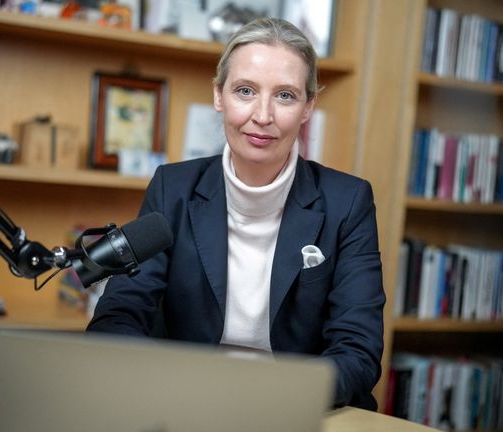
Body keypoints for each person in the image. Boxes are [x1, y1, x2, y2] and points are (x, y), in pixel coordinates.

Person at [87, 17, 385, 411]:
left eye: (285, 96)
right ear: (218, 95)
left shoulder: (348, 202)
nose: (262, 115)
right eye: (245, 91)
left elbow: (358, 351)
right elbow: (117, 317)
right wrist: (174, 388)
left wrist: (269, 397)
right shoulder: (172, 188)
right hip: (185, 404)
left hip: (296, 410)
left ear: (308, 107)